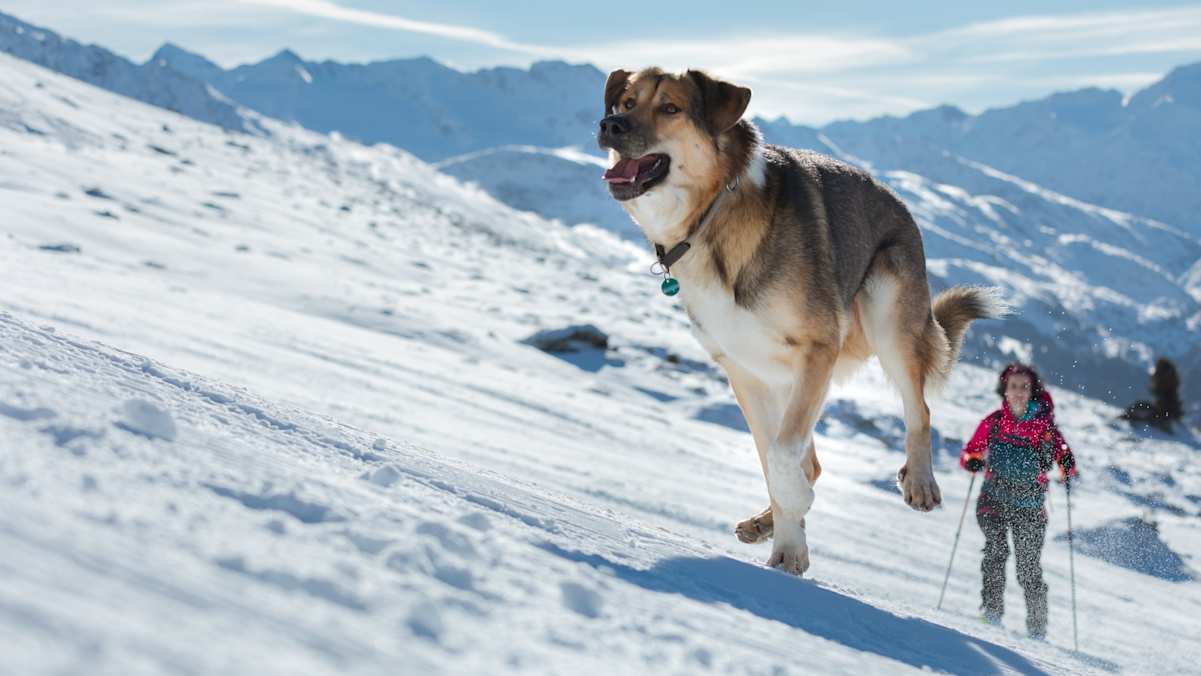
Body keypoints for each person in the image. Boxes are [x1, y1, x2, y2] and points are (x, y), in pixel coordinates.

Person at [959, 362, 1077, 639]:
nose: (1019, 392)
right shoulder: (994, 422)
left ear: (1033, 390)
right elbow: (969, 453)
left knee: (1028, 569)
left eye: (1025, 387)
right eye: (1014, 386)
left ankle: (1036, 628)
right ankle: (991, 612)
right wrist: (972, 462)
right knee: (995, 554)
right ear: (1005, 390)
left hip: (1030, 508)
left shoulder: (1045, 429)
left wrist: (1067, 464)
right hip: (993, 500)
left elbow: (1065, 460)